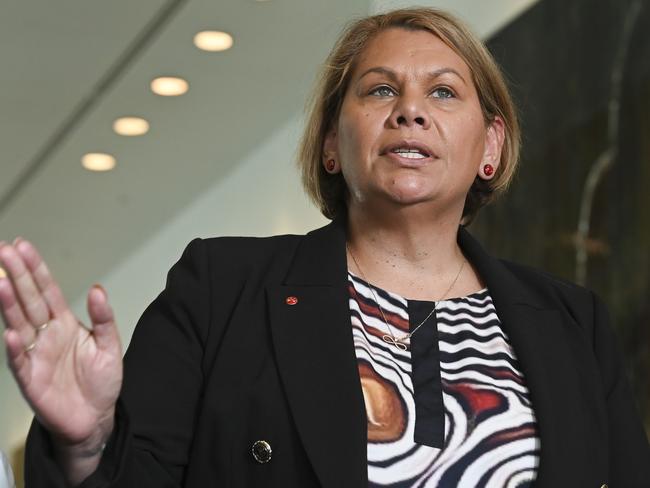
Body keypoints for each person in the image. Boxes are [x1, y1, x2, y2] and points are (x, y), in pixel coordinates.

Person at [1, 7, 648, 488]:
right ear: (333, 143)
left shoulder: (573, 325)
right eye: (379, 89)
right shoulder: (221, 289)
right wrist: (86, 444)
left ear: (491, 146)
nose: (410, 111)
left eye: (443, 91)